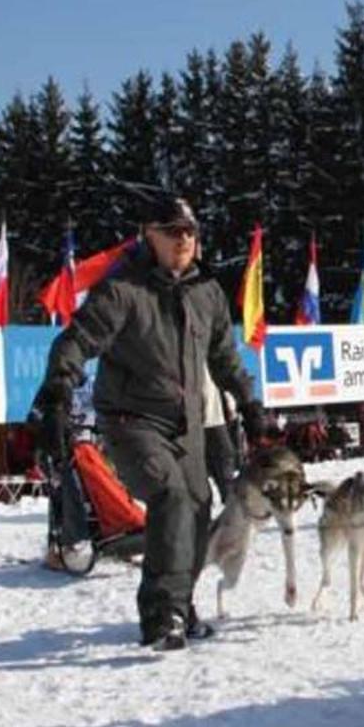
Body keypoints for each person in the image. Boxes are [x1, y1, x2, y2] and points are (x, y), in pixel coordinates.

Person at [35, 195, 262, 651]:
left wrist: (248, 402)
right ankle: (163, 616)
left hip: (189, 424)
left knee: (198, 510)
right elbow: (77, 341)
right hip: (132, 419)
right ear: (148, 235)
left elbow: (223, 356)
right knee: (172, 497)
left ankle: (180, 602)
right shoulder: (122, 291)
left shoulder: (207, 292)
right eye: (172, 231)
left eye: (190, 232)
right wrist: (59, 391)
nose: (183, 240)